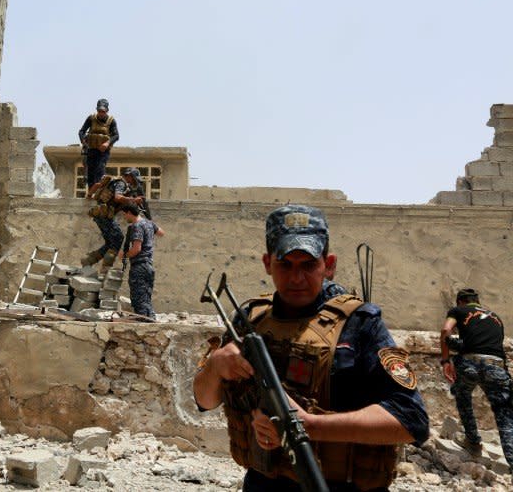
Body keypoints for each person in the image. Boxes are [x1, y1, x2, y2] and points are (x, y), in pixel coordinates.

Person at [193, 204, 429, 492]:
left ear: (328, 264)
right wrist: (217, 365)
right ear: (267, 263)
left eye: (308, 265)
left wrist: (309, 425)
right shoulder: (250, 320)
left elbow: (411, 421)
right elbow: (204, 401)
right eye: (285, 264)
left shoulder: (360, 323)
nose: (296, 278)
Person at [440, 288, 513, 467]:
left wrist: (445, 361)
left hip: (468, 364)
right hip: (496, 366)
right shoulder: (496, 318)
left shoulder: (458, 311)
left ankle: (473, 442)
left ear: (460, 302)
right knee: (505, 416)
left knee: (463, 395)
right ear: (477, 301)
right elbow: (486, 344)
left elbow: (445, 330)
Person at [81, 172, 143, 270]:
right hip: (104, 216)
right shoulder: (121, 183)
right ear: (129, 176)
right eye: (133, 180)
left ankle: (88, 261)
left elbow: (97, 185)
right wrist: (133, 200)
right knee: (118, 238)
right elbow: (117, 197)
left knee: (111, 243)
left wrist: (89, 195)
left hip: (100, 214)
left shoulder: (114, 180)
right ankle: (105, 268)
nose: (133, 183)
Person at [119, 202, 164, 319]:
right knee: (146, 297)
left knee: (139, 298)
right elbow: (161, 232)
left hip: (139, 266)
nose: (125, 218)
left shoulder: (137, 226)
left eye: (125, 215)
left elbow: (136, 249)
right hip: (148, 265)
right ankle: (150, 319)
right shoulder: (148, 223)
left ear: (129, 213)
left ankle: (143, 322)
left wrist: (124, 255)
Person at [78, 98, 119, 188]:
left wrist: (107, 143)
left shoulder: (111, 121)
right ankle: (91, 192)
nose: (101, 113)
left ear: (107, 110)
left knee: (100, 171)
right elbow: (81, 131)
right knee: (90, 173)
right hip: (91, 150)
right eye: (99, 111)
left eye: (103, 111)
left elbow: (116, 136)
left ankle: (99, 192)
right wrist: (84, 142)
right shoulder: (91, 118)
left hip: (103, 152)